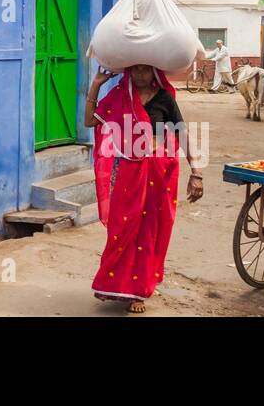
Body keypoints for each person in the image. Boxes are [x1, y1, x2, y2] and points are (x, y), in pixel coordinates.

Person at [83, 64, 203, 314]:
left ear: (154, 73)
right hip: (128, 172)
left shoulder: (164, 98)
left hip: (160, 173)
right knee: (123, 228)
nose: (139, 75)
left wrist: (196, 172)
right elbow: (89, 120)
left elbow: (182, 133)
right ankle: (116, 283)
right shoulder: (119, 96)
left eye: (145, 70)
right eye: (135, 70)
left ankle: (138, 291)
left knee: (150, 230)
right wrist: (96, 84)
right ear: (128, 72)